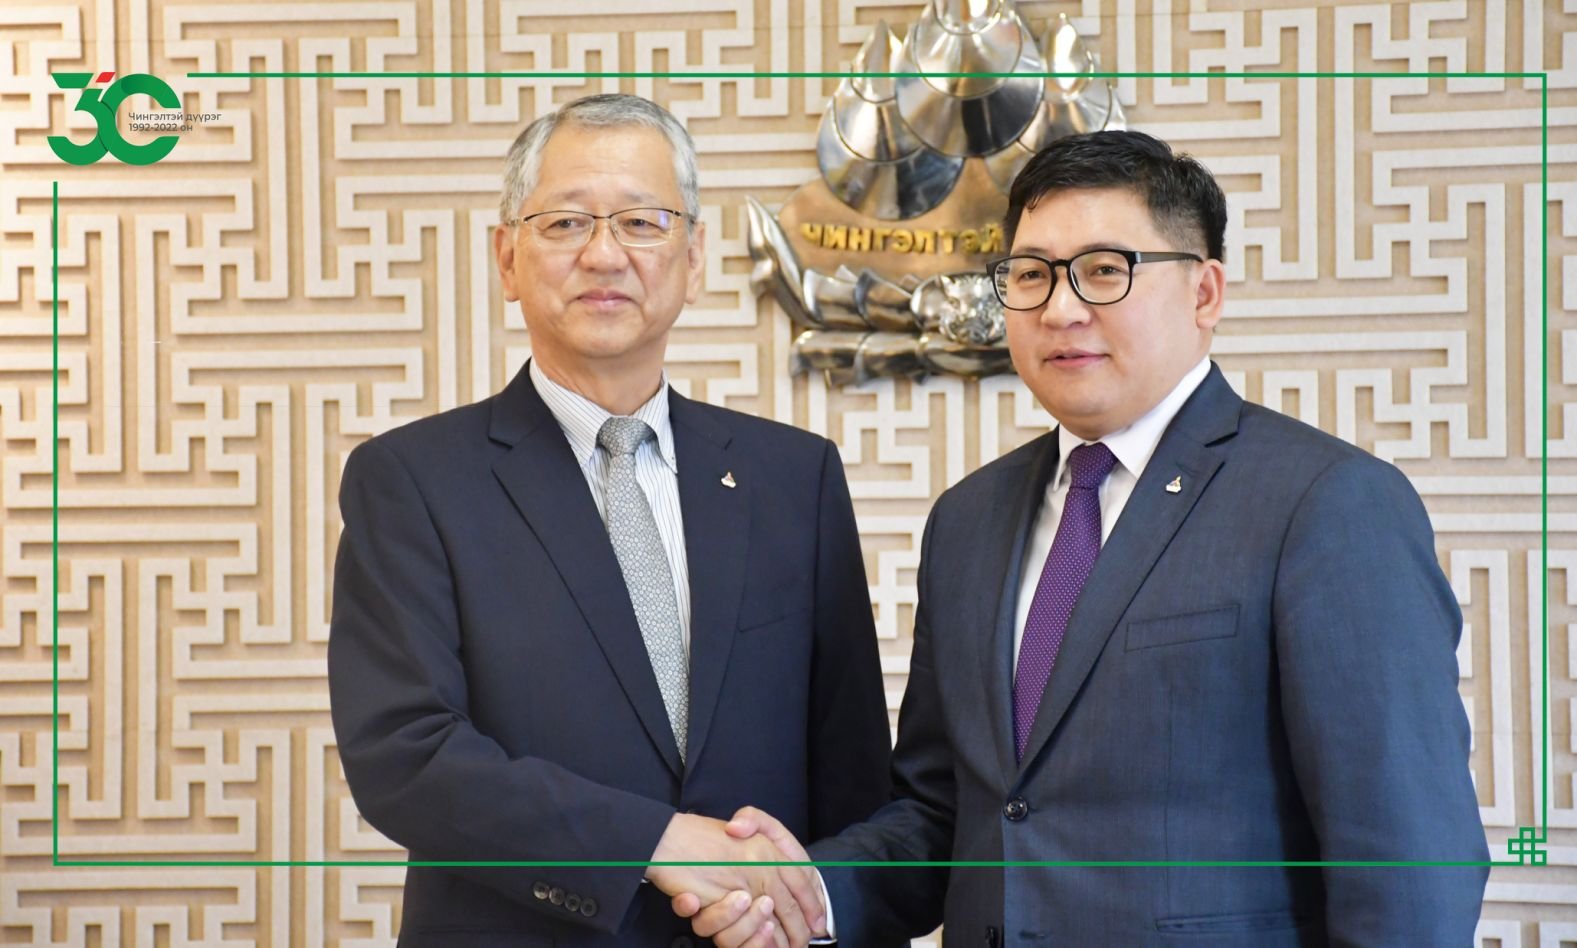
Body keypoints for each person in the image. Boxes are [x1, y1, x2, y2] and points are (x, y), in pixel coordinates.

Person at [680, 129, 1489, 946]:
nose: (1060, 309)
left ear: (1205, 293)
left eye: (1105, 270)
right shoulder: (967, 520)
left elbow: (1409, 862)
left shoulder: (1327, 504)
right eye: (1031, 275)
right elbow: (945, 814)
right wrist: (806, 895)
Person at [327, 93, 891, 947]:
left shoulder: (794, 479)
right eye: (565, 223)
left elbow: (855, 782)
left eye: (641, 222)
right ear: (508, 258)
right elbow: (404, 756)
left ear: (693, 260)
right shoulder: (411, 481)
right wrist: (653, 843)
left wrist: (817, 918)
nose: (603, 253)